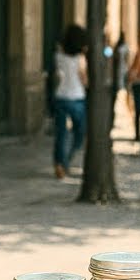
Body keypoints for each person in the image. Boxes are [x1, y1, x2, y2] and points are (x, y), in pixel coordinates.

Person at [52, 24, 88, 177]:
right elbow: (84, 79)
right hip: (77, 98)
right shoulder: (80, 58)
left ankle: (59, 163)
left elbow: (56, 76)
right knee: (79, 133)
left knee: (61, 133)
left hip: (61, 97)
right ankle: (67, 159)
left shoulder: (58, 57)